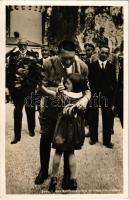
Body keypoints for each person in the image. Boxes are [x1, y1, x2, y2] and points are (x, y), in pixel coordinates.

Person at [35, 40, 91, 190]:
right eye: (64, 57)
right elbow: (40, 87)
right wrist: (57, 93)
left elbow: (87, 89)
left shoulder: (83, 67)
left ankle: (67, 176)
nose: (67, 61)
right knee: (46, 138)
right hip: (50, 110)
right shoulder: (47, 64)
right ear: (58, 53)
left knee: (68, 142)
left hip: (69, 115)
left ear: (75, 55)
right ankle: (43, 170)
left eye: (70, 58)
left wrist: (85, 100)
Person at [47, 73, 89, 192]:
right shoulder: (82, 97)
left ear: (75, 85)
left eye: (68, 83)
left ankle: (54, 178)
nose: (65, 84)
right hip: (74, 129)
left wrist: (59, 89)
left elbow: (55, 100)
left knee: (58, 152)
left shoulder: (63, 95)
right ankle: (73, 178)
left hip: (62, 128)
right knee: (71, 153)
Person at [6, 38, 42, 144]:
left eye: (25, 45)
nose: (23, 47)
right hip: (17, 89)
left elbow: (37, 72)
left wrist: (33, 84)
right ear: (18, 45)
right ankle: (17, 136)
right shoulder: (13, 55)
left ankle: (31, 129)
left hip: (29, 87)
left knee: (30, 109)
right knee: (17, 110)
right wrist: (16, 71)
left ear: (27, 45)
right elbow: (9, 72)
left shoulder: (33, 55)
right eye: (21, 45)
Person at [89, 45, 117, 148]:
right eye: (102, 52)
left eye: (106, 53)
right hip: (95, 95)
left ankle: (107, 141)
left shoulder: (111, 67)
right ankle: (93, 138)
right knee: (93, 117)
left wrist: (112, 99)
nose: (104, 55)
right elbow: (90, 81)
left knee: (107, 118)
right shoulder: (92, 66)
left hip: (107, 97)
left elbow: (114, 84)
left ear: (108, 55)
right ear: (98, 53)